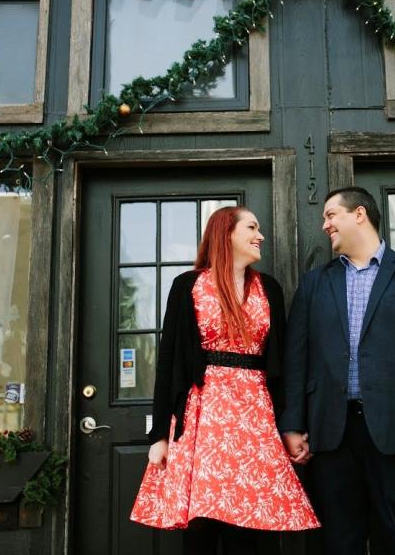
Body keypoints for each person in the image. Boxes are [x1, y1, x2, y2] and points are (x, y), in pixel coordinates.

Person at [130, 206, 319, 555]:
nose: (260, 235)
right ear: (225, 233)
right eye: (252, 227)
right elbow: (169, 361)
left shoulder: (269, 289)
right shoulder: (188, 286)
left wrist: (289, 426)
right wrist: (159, 435)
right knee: (202, 526)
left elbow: (283, 366)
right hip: (204, 417)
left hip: (255, 418)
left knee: (251, 526)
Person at [280, 186, 395, 555]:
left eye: (331, 215)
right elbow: (297, 359)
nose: (325, 224)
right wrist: (293, 424)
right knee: (338, 543)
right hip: (331, 435)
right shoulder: (314, 284)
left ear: (359, 214)